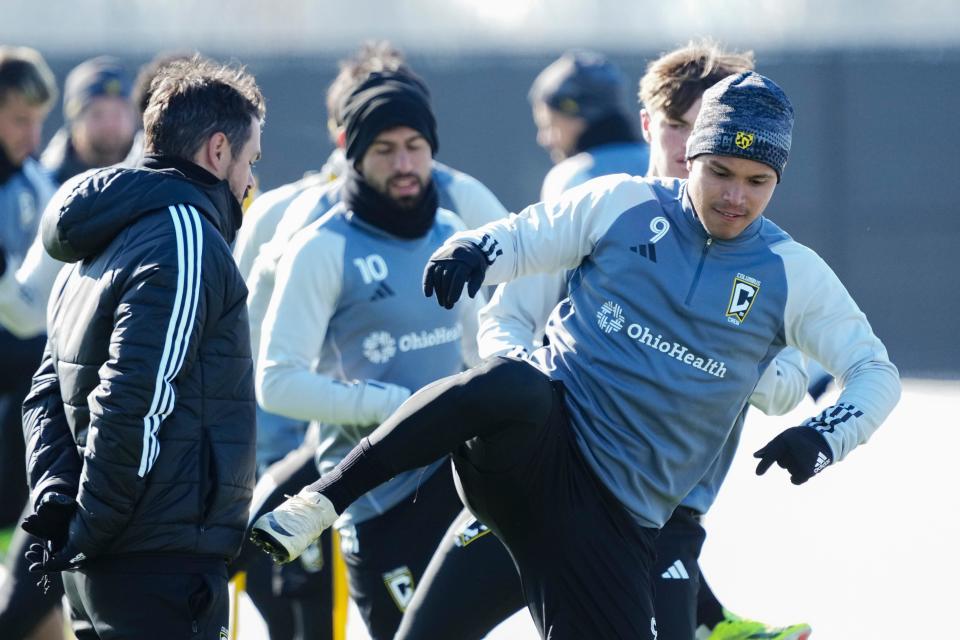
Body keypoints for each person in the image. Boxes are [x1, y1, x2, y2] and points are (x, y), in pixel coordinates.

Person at [253, 71, 901, 640]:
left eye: (757, 181)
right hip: (535, 454)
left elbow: (874, 373)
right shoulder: (622, 204)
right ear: (692, 158)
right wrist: (473, 251)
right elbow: (523, 237)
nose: (735, 196)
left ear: (777, 180)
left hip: (621, 525)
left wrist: (823, 436)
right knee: (511, 385)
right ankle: (321, 499)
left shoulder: (793, 274)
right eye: (720, 173)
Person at [395, 41, 814, 640]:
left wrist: (729, 358)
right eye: (679, 126)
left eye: (712, 131)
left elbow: (785, 388)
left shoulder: (768, 261)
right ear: (648, 124)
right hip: (539, 487)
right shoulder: (597, 211)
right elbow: (504, 323)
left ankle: (715, 623)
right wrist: (527, 409)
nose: (694, 145)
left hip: (654, 523)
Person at [228, 41, 509, 640]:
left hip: (455, 482)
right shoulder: (321, 247)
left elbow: (484, 348)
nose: (404, 163)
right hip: (372, 496)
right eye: (385, 150)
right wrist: (390, 407)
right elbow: (275, 382)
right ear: (353, 155)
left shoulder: (452, 230)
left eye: (415, 147)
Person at [20, 55, 263, 640]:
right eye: (251, 161)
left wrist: (59, 504)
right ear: (218, 150)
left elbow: (44, 394)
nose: (251, 182)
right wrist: (89, 530)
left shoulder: (102, 235)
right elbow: (136, 398)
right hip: (156, 567)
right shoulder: (185, 232)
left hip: (107, 563)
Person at [0, 45, 61, 640]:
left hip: (23, 395)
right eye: (19, 119)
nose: (32, 133)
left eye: (39, 119)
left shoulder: (37, 182)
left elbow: (28, 314)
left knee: (28, 565)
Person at [529, 49, 648, 201]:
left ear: (577, 118)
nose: (543, 139)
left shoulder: (569, 178)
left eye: (549, 125)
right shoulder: (663, 166)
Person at [40, 56, 138, 185]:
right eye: (97, 114)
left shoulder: (153, 178)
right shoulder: (44, 183)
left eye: (118, 114)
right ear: (74, 120)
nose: (109, 124)